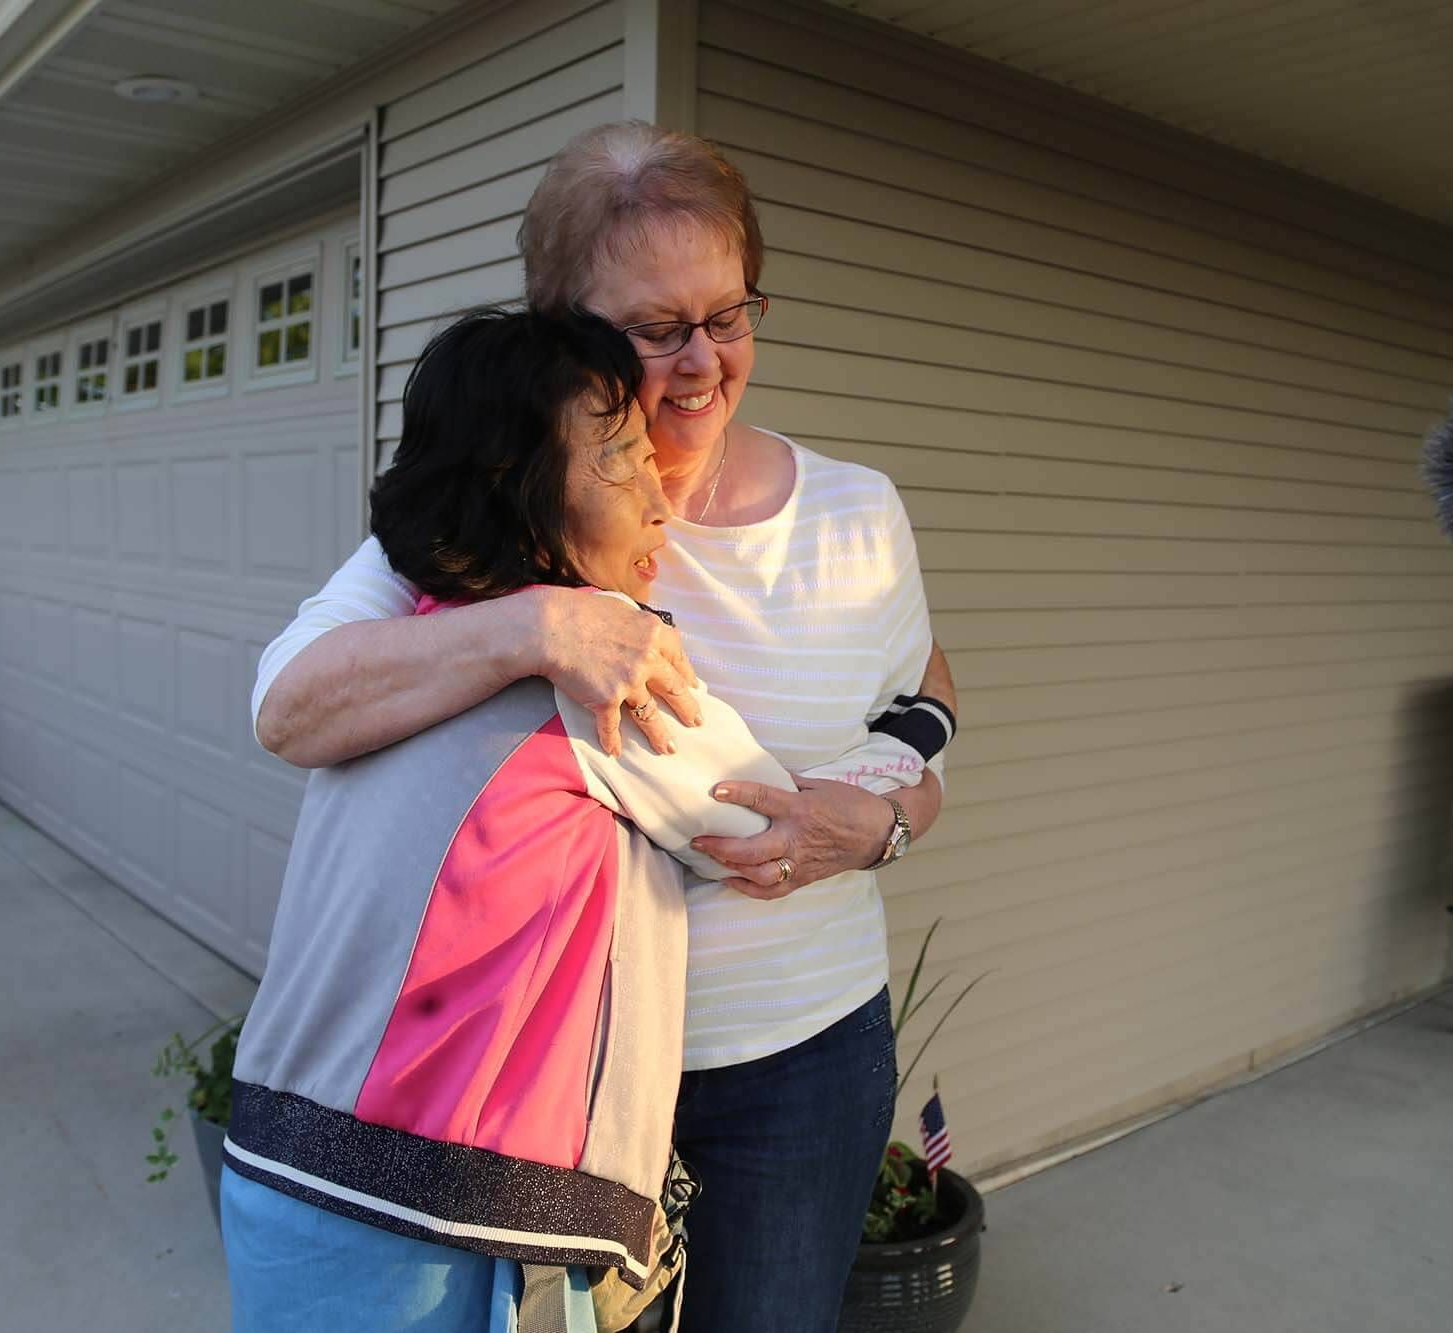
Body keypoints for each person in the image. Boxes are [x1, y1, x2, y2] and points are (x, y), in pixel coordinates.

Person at [250, 124, 956, 1332]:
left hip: (796, 1059)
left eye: (724, 317)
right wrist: (537, 628)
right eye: (651, 329)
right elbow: (292, 704)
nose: (698, 363)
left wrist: (885, 820)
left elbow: (924, 704)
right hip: (536, 1092)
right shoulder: (488, 517)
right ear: (561, 330)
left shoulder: (855, 512)